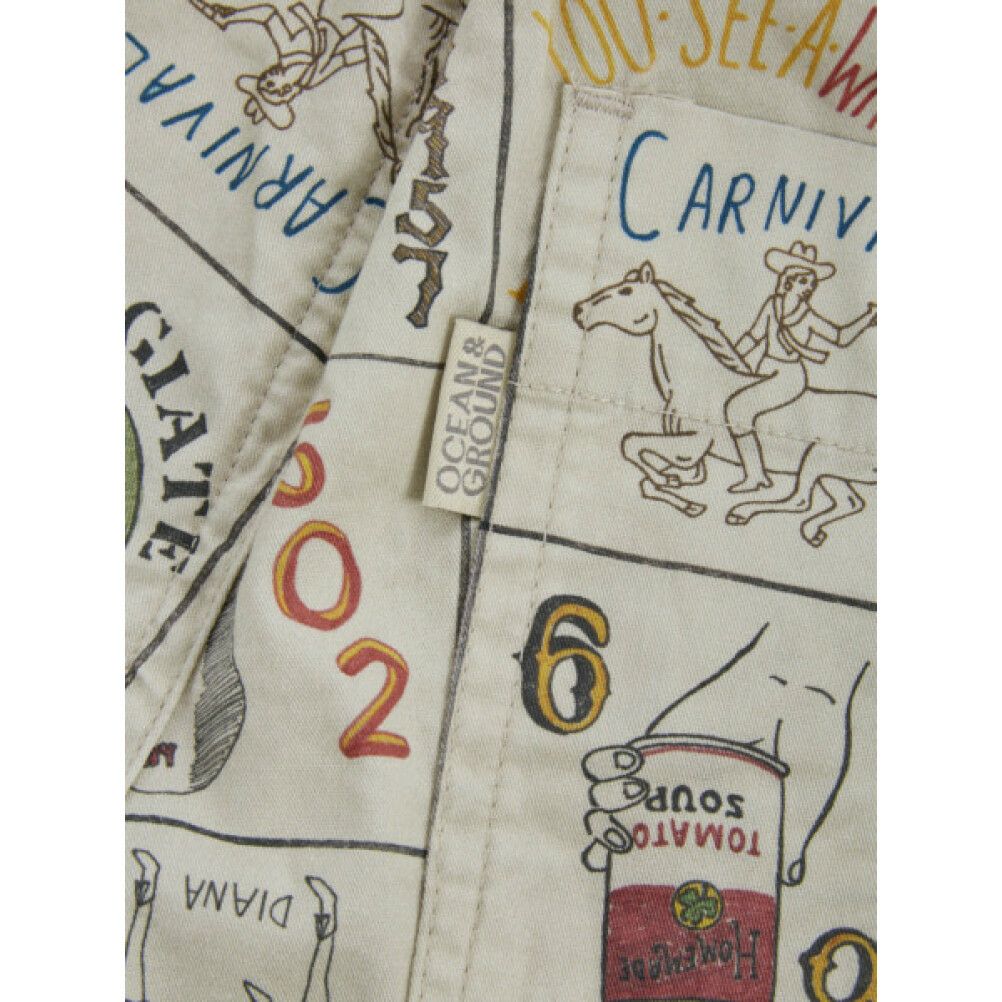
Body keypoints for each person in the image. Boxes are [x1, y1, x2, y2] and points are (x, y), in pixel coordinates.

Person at [725, 241, 877, 493]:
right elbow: (754, 336)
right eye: (804, 281)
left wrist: (868, 318)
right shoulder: (772, 305)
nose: (809, 287)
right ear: (788, 281)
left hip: (787, 376)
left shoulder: (807, 317)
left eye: (812, 283)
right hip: (764, 369)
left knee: (736, 410)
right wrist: (731, 359)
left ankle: (755, 475)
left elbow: (840, 337)